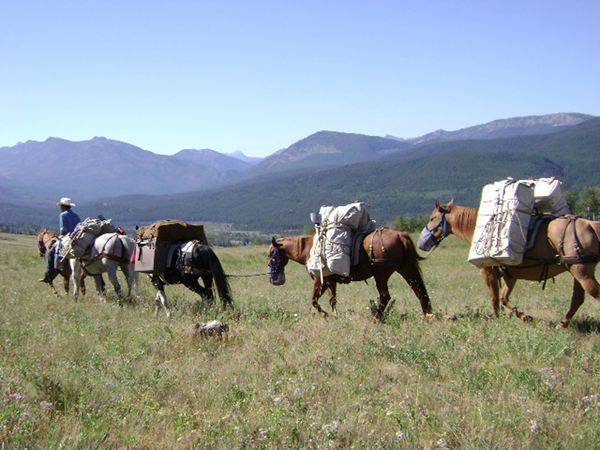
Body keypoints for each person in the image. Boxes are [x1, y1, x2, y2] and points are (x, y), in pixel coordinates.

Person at [39, 198, 82, 283]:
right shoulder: (76, 216)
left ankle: (50, 273)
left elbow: (63, 230)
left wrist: (60, 236)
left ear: (62, 206)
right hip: (77, 237)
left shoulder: (63, 215)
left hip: (67, 237)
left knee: (51, 252)